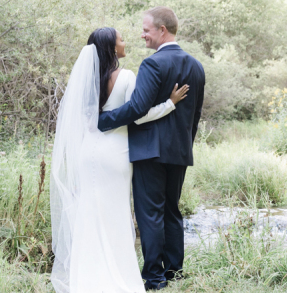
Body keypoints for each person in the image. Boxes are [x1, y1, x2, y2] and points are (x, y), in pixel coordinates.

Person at [50, 26, 190, 293]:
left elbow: (84, 123)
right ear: (113, 48)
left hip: (87, 152)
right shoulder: (125, 76)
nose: (126, 43)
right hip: (115, 152)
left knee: (89, 210)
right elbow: (138, 114)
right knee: (115, 211)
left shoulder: (87, 79)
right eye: (121, 40)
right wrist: (169, 104)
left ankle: (87, 276)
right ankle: (118, 276)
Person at [98, 7, 206, 290]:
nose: (142, 34)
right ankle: (174, 273)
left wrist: (103, 120)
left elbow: (136, 108)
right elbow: (194, 117)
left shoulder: (152, 64)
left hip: (149, 151)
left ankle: (154, 278)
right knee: (172, 210)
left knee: (150, 213)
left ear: (162, 30)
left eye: (146, 29)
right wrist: (184, 145)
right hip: (180, 152)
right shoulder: (196, 66)